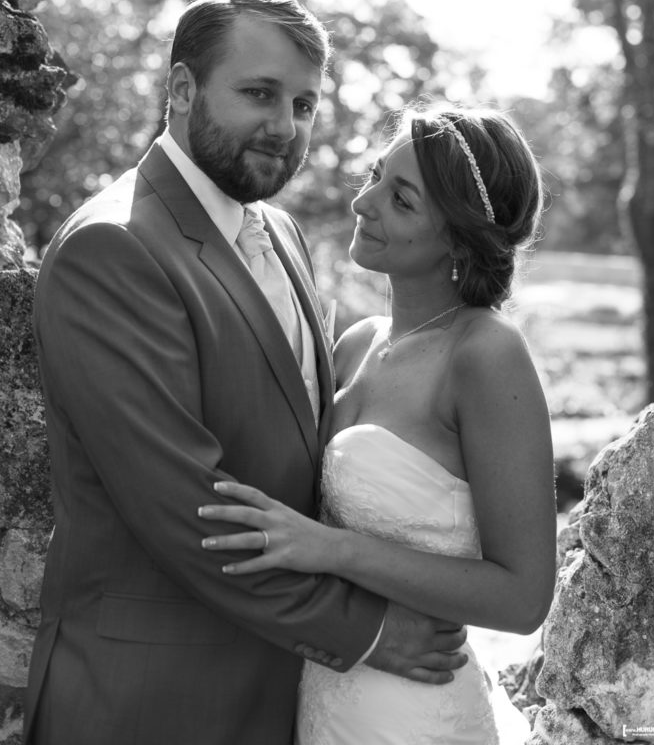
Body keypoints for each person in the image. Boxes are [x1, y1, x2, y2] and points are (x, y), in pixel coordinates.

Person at [23, 0, 468, 745]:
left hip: (284, 690)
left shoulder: (281, 232)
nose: (283, 126)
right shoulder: (115, 247)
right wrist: (362, 631)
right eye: (259, 94)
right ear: (183, 89)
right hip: (148, 699)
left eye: (303, 104)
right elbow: (185, 507)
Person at [198, 103, 558, 745]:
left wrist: (331, 547)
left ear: (457, 235)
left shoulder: (486, 354)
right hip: (325, 688)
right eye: (375, 176)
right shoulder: (356, 343)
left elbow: (524, 598)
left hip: (415, 712)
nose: (365, 203)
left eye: (402, 199)